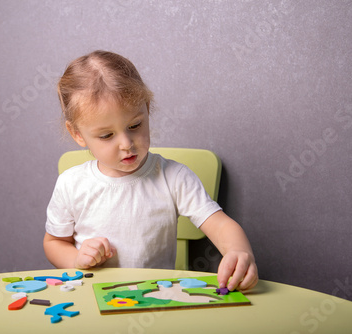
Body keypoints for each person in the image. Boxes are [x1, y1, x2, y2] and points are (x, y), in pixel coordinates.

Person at [43, 50, 258, 291]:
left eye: (135, 125)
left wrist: (239, 251)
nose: (126, 144)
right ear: (77, 134)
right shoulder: (71, 183)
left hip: (154, 301)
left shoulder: (173, 177)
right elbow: (54, 242)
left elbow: (220, 225)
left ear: (147, 108)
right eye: (106, 135)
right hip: (90, 299)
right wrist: (75, 259)